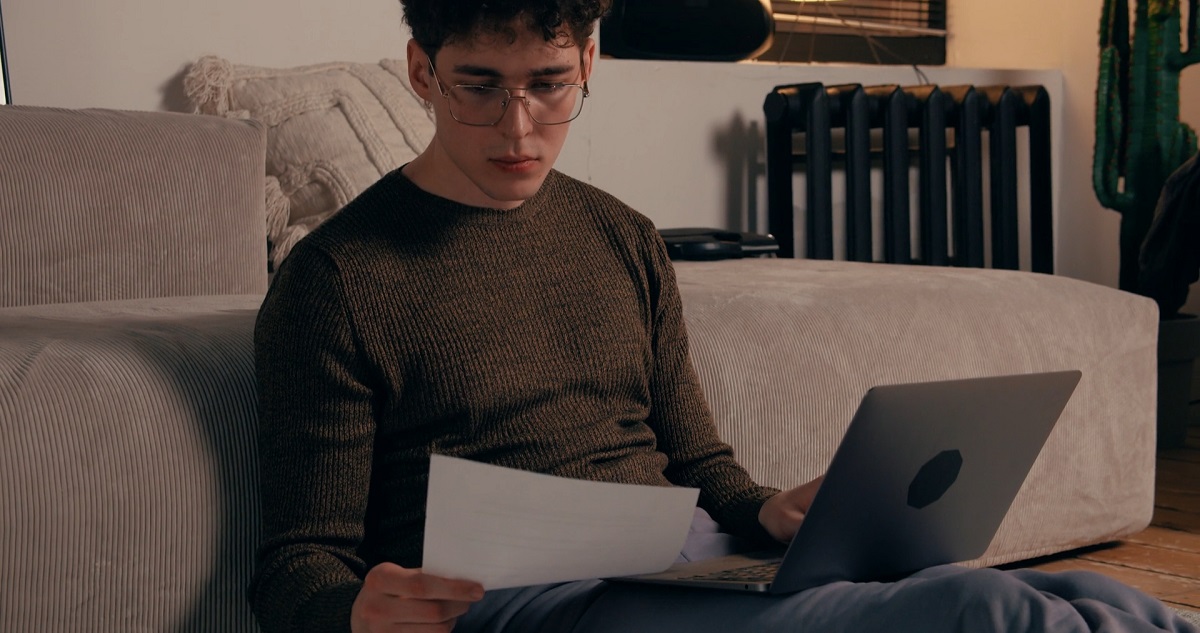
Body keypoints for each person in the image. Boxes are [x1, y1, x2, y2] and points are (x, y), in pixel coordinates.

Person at [249, 2, 1200, 632]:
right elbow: (299, 560)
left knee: (1100, 596)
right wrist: (349, 611)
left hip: (683, 565)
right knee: (981, 611)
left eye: (548, 83)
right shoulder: (337, 278)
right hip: (524, 602)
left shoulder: (618, 234)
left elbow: (699, 465)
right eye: (479, 87)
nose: (518, 129)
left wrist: (768, 508)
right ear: (422, 68)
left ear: (588, 58)